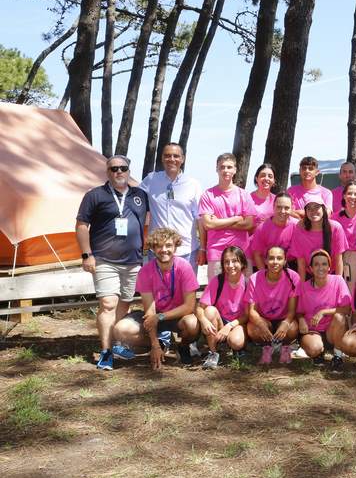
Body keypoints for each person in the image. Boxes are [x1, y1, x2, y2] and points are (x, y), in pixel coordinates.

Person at [76, 155, 149, 371]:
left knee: (124, 302)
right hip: (104, 259)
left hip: (133, 261)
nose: (118, 172)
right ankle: (106, 351)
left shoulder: (140, 195)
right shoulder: (95, 195)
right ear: (107, 172)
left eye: (123, 168)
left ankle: (118, 344)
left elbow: (146, 223)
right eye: (114, 169)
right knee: (108, 304)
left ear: (129, 171)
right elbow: (81, 226)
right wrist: (87, 255)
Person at [113, 228, 200, 369]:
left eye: (168, 245)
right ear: (153, 249)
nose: (164, 250)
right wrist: (154, 345)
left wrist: (160, 316)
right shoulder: (145, 271)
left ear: (175, 247)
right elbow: (150, 312)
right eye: (159, 246)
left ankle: (183, 346)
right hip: (154, 315)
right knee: (120, 330)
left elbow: (189, 306)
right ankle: (161, 344)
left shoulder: (185, 267)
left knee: (192, 324)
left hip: (177, 315)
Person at [139, 142, 204, 271]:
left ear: (182, 159)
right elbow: (135, 201)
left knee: (186, 285)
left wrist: (203, 248)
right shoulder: (150, 180)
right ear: (162, 158)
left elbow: (200, 219)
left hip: (186, 251)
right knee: (157, 285)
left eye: (176, 156)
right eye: (167, 156)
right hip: (157, 250)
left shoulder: (193, 184)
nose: (172, 159)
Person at [199, 153, 256, 277]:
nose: (226, 170)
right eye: (222, 167)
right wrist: (236, 219)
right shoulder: (208, 195)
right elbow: (208, 225)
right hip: (216, 252)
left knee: (245, 287)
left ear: (235, 170)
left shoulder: (244, 195)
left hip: (242, 251)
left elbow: (249, 224)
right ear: (217, 169)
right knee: (217, 288)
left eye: (229, 167)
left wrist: (218, 222)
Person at [197, 246, 252, 369]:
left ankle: (235, 347)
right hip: (220, 322)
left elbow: (247, 315)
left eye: (235, 261)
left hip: (237, 323)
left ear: (243, 263)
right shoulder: (217, 281)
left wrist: (230, 326)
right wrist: (203, 320)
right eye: (226, 262)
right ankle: (213, 352)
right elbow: (200, 308)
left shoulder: (248, 283)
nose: (230, 265)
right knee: (209, 311)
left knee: (236, 342)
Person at [296, 249, 351, 371]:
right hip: (313, 330)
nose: (320, 268)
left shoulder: (338, 281)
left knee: (339, 317)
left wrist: (323, 312)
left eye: (324, 264)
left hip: (333, 331)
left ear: (329, 267)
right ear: (310, 268)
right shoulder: (304, 287)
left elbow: (347, 309)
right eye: (316, 264)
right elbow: (299, 311)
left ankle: (337, 355)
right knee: (314, 349)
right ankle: (319, 352)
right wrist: (301, 320)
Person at [246, 246, 300, 365]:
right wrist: (260, 323)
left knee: (293, 328)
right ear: (265, 260)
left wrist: (286, 323)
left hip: (283, 318)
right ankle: (266, 347)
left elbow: (292, 310)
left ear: (285, 261)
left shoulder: (293, 277)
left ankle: (285, 347)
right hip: (264, 319)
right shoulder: (254, 278)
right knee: (253, 329)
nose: (275, 262)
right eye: (271, 258)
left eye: (279, 258)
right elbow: (252, 311)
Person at [291, 200, 347, 282]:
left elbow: (338, 260)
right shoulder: (300, 229)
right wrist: (301, 286)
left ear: (323, 209)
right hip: (309, 276)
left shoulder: (336, 227)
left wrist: (338, 283)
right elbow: (301, 264)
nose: (313, 211)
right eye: (309, 208)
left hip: (332, 275)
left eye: (316, 207)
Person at [251, 192, 299, 271]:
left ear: (292, 208)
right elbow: (257, 255)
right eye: (279, 207)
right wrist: (264, 275)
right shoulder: (262, 228)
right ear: (273, 207)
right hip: (269, 265)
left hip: (291, 265)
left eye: (286, 208)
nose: (282, 211)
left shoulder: (297, 226)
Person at [251, 163, 277, 227]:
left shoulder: (277, 200)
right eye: (263, 175)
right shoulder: (248, 198)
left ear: (274, 181)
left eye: (270, 176)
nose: (266, 178)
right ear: (256, 178)